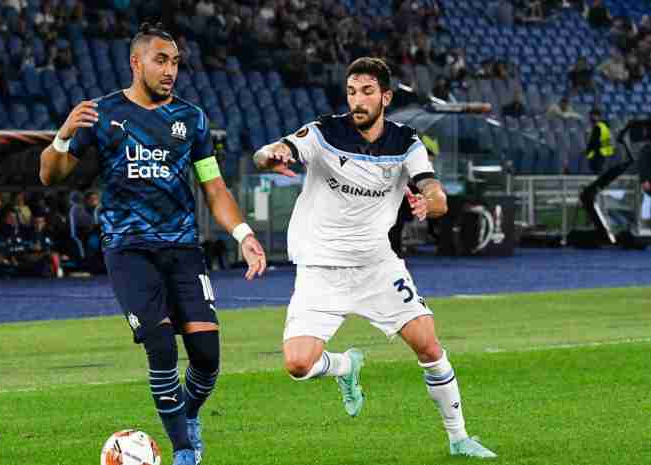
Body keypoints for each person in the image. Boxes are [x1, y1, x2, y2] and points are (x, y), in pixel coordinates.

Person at [38, 22, 267, 465]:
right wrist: (62, 136)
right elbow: (50, 174)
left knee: (207, 357)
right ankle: (184, 451)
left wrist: (243, 235)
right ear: (135, 62)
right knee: (161, 347)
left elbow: (214, 187)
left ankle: (187, 416)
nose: (170, 70)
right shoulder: (102, 114)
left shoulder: (191, 119)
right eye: (161, 60)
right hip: (128, 250)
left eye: (175, 62)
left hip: (183, 249)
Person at [252, 57, 497, 459]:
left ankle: (459, 438)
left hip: (377, 266)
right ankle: (345, 367)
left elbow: (433, 190)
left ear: (385, 97)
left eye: (367, 92)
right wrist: (271, 154)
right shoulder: (324, 133)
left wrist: (432, 202)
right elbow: (272, 151)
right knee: (298, 365)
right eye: (351, 92)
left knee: (429, 346)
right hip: (321, 269)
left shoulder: (405, 143)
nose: (357, 100)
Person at [585, 108, 614, 174]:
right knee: (593, 168)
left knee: (600, 168)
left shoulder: (603, 125)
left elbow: (607, 138)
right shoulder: (590, 125)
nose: (591, 117)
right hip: (593, 151)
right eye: (591, 115)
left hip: (601, 151)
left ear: (598, 116)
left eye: (594, 115)